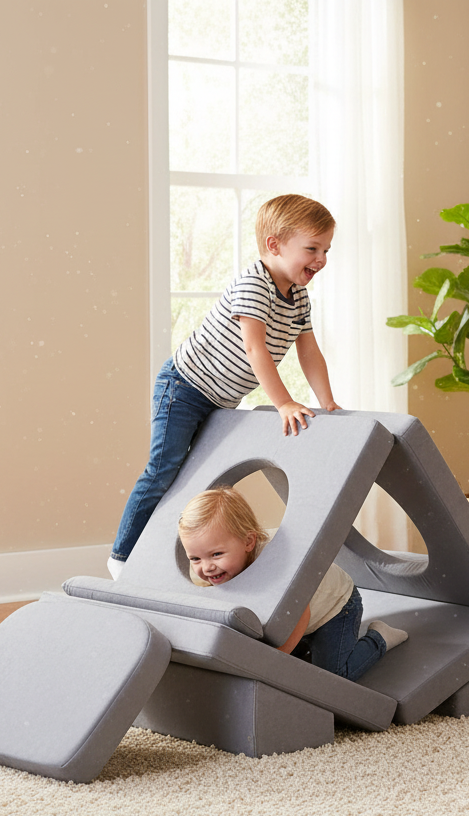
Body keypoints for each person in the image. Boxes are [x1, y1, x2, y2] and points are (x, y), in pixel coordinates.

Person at [108, 194, 341, 579]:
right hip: (184, 388)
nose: (321, 260)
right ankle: (122, 556)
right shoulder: (254, 284)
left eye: (326, 250)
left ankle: (175, 560)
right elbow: (255, 347)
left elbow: (309, 351)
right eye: (312, 248)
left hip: (220, 401)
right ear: (274, 245)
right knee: (163, 470)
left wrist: (328, 402)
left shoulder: (298, 298)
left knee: (197, 480)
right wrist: (283, 403)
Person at [177, 488, 408, 681]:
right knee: (298, 668)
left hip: (336, 607)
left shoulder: (273, 567)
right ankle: (310, 644)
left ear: (248, 542)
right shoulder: (224, 568)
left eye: (216, 554)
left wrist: (278, 657)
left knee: (333, 678)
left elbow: (301, 614)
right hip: (291, 614)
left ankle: (379, 638)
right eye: (195, 558)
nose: (206, 567)